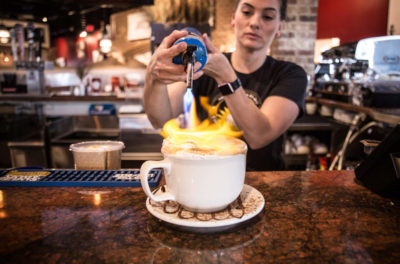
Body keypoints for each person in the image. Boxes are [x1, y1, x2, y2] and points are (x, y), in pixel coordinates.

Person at [143, 0, 307, 171]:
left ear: (279, 27)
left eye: (267, 16)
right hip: (206, 176)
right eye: (246, 12)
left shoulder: (290, 75)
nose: (255, 23)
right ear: (233, 18)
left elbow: (259, 136)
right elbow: (160, 119)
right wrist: (154, 77)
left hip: (263, 182)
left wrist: (225, 77)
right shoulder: (205, 66)